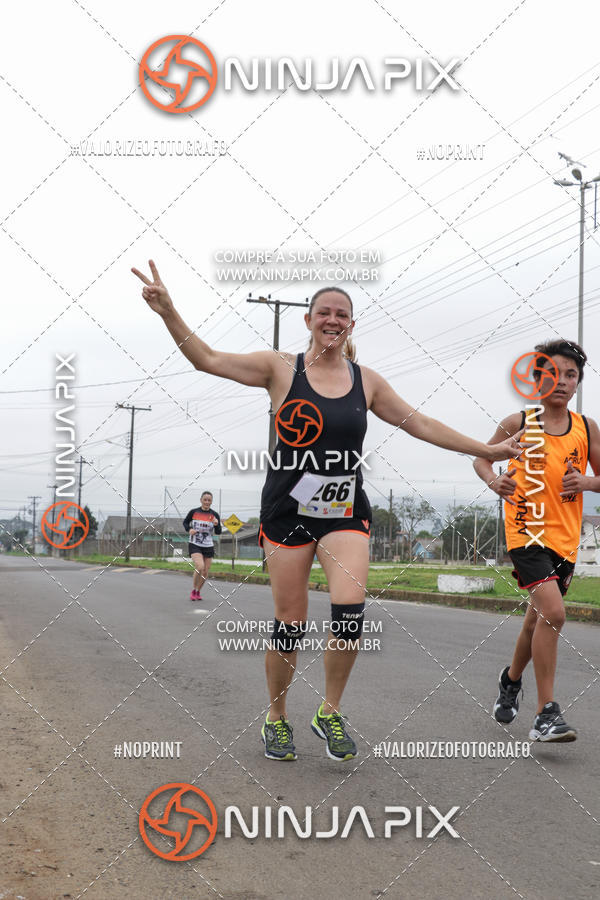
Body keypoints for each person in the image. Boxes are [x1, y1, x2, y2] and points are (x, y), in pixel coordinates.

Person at [133, 260, 525, 762]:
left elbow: (420, 423)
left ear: (351, 325)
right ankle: (276, 718)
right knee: (289, 624)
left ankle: (330, 711)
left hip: (343, 512)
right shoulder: (280, 368)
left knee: (350, 612)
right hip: (286, 512)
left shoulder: (368, 382)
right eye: (324, 312)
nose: (333, 320)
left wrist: (487, 451)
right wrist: (169, 311)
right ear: (309, 319)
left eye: (342, 314)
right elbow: (206, 359)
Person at [473, 339, 600, 742]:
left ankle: (510, 681)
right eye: (552, 373)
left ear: (578, 382)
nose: (561, 381)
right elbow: (481, 457)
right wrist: (494, 480)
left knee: (536, 619)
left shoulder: (586, 428)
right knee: (555, 614)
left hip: (564, 539)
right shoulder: (518, 423)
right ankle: (546, 713)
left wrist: (588, 482)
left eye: (570, 374)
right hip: (526, 532)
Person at [183, 491, 222, 601]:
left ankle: (198, 591)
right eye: (205, 499)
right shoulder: (194, 512)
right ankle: (193, 589)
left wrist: (216, 524)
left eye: (209, 500)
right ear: (201, 500)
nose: (207, 502)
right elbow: (185, 522)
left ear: (211, 502)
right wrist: (189, 529)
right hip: (195, 543)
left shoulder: (214, 515)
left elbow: (218, 532)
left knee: (205, 571)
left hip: (208, 545)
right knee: (200, 567)